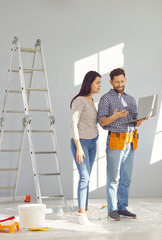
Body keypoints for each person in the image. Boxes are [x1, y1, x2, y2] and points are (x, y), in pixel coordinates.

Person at [97, 68, 148, 221]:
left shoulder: (131, 99)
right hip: (115, 139)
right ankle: (112, 210)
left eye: (122, 81)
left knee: (126, 178)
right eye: (117, 82)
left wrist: (141, 121)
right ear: (111, 82)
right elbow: (102, 122)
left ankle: (122, 207)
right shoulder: (106, 99)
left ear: (125, 80)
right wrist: (115, 116)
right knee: (113, 178)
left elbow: (134, 122)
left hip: (131, 140)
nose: (120, 84)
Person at [70, 70, 101, 225]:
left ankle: (86, 209)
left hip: (92, 143)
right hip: (81, 143)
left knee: (87, 177)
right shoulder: (79, 101)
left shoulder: (91, 101)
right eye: (97, 82)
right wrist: (79, 147)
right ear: (89, 83)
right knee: (84, 178)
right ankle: (81, 213)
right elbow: (73, 124)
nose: (100, 85)